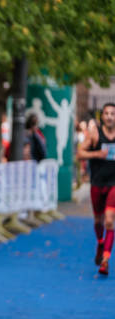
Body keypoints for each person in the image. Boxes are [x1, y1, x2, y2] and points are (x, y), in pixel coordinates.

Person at [77, 103, 115, 275]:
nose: (109, 116)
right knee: (98, 221)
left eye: (112, 114)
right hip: (97, 183)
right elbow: (79, 153)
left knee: (109, 220)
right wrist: (96, 154)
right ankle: (100, 242)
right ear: (102, 117)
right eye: (106, 113)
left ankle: (105, 260)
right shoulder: (95, 134)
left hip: (113, 184)